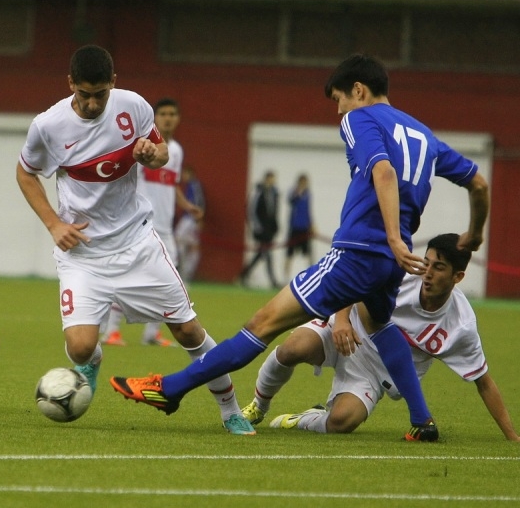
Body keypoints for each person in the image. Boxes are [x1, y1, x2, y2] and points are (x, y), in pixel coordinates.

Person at [110, 53, 490, 442]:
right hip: (392, 264)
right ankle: (423, 421)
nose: (338, 111)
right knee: (379, 323)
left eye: (339, 99)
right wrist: (474, 234)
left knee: (262, 324)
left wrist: (391, 235)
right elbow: (478, 184)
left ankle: (169, 389)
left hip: (358, 253)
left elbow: (384, 171)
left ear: (358, 90)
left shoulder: (360, 118)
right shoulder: (424, 136)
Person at [15, 45, 254, 435]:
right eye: (84, 94)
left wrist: (150, 154)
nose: (93, 104)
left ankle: (230, 411)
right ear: (70, 83)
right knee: (80, 347)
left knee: (189, 331)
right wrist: (53, 224)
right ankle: (91, 364)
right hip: (83, 254)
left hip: (137, 244)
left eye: (100, 94)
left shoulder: (134, 107)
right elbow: (25, 173)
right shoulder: (48, 125)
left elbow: (161, 152)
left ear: (113, 82)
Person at [242, 234, 519, 441]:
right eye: (427, 263)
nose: (428, 273)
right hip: (349, 328)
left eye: (439, 267)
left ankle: (304, 419)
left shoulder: (462, 325)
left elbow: (484, 382)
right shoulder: (404, 274)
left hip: (375, 374)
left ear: (458, 277)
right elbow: (354, 282)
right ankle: (258, 407)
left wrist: (512, 437)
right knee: (293, 348)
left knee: (341, 422)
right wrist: (341, 320)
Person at [100, 98, 204, 347]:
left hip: (166, 227)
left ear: (178, 118)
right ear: (154, 117)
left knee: (170, 279)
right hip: (140, 223)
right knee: (127, 276)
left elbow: (171, 184)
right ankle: (111, 331)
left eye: (172, 114)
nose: (168, 118)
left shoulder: (175, 151)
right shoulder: (141, 145)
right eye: (163, 114)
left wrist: (187, 206)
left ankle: (152, 333)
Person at [238, 171, 280, 289]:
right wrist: (257, 227)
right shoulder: (258, 191)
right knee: (267, 254)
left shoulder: (274, 193)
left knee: (261, 254)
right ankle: (273, 280)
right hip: (261, 229)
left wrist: (275, 226)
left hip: (269, 229)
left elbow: (274, 211)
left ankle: (243, 275)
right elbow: (251, 210)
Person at [175, 164, 205, 284]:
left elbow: (199, 202)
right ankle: (185, 273)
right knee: (190, 246)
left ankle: (185, 273)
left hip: (190, 220)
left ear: (189, 174)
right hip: (189, 219)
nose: (183, 176)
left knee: (180, 241)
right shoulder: (189, 186)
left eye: (184, 174)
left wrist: (198, 219)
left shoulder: (194, 185)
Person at [283, 173, 313, 280]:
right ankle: (285, 278)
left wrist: (311, 224)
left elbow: (308, 210)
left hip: (304, 228)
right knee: (289, 253)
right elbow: (290, 201)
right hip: (294, 227)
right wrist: (297, 193)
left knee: (308, 253)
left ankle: (310, 276)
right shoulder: (293, 192)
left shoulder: (308, 194)